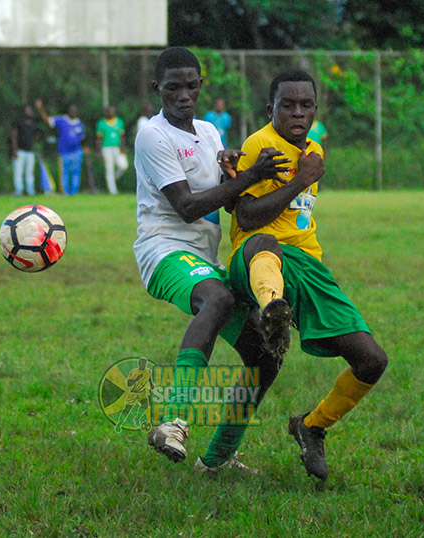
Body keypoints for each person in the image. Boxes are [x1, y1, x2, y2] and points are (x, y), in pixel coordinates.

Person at [227, 69, 388, 482]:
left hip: (308, 266)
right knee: (267, 244)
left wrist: (307, 172)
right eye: (288, 105)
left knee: (371, 360)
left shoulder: (314, 148)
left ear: (316, 109)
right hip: (257, 256)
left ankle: (311, 426)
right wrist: (302, 179)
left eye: (307, 105)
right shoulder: (260, 144)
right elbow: (245, 216)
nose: (298, 113)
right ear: (271, 108)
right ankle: (272, 311)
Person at [135, 47, 289, 472]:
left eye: (191, 86)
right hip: (163, 249)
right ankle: (173, 420)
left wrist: (243, 174)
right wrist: (248, 177)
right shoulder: (153, 135)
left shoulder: (208, 131)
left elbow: (226, 204)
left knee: (266, 355)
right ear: (157, 90)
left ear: (201, 85)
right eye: (173, 87)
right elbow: (186, 207)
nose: (183, 95)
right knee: (218, 300)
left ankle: (217, 460)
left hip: (203, 257)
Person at [36, 100, 85, 195]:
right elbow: (47, 121)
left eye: (74, 110)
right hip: (64, 153)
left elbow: (82, 139)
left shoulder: (79, 123)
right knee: (64, 174)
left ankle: (74, 193)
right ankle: (65, 193)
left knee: (75, 173)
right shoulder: (62, 120)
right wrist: (41, 108)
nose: (73, 112)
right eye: (71, 110)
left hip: (76, 152)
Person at [96, 105, 128, 194]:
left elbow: (122, 136)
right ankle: (113, 190)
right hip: (106, 148)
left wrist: (123, 147)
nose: (111, 113)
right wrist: (98, 152)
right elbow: (99, 138)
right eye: (109, 111)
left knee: (123, 166)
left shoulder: (119, 122)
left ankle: (114, 178)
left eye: (112, 111)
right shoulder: (101, 123)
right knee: (109, 169)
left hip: (117, 148)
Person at [10, 104, 39, 196]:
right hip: (20, 151)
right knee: (18, 172)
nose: (29, 112)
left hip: (30, 152)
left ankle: (30, 190)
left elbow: (36, 136)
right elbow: (14, 135)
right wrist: (15, 149)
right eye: (27, 110)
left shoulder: (34, 124)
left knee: (29, 172)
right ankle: (19, 190)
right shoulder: (18, 123)